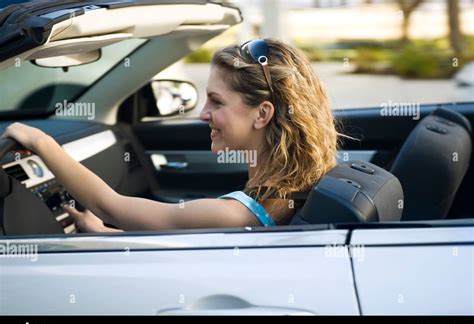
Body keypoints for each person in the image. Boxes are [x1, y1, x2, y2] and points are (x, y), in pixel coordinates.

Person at [1, 38, 343, 232]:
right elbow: (183, 244)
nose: (202, 113)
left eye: (216, 101)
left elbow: (112, 206)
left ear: (262, 113)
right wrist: (106, 235)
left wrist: (38, 140)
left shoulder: (235, 215)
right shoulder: (291, 191)